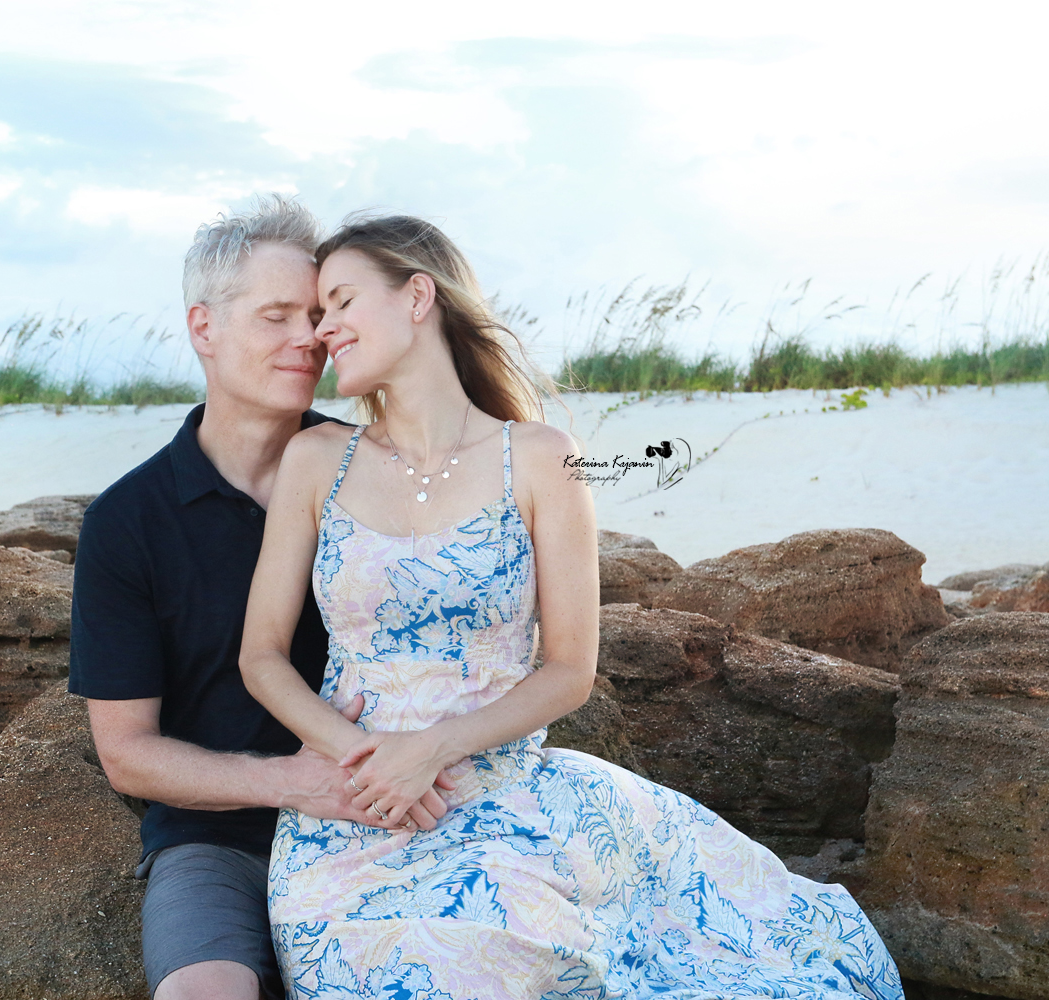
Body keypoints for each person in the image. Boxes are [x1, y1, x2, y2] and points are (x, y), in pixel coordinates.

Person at [238, 214, 906, 999]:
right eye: (319, 313)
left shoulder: (544, 458)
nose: (324, 330)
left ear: (417, 296)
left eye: (341, 301)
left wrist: (433, 749)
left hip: (504, 795)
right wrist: (364, 756)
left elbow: (568, 670)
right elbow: (259, 656)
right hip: (351, 814)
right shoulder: (317, 459)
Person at [67, 196, 456, 1000]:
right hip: (219, 843)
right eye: (276, 315)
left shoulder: (375, 472)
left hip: (391, 818)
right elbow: (126, 752)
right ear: (202, 326)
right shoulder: (127, 521)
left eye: (317, 315)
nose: (308, 338)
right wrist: (292, 783)